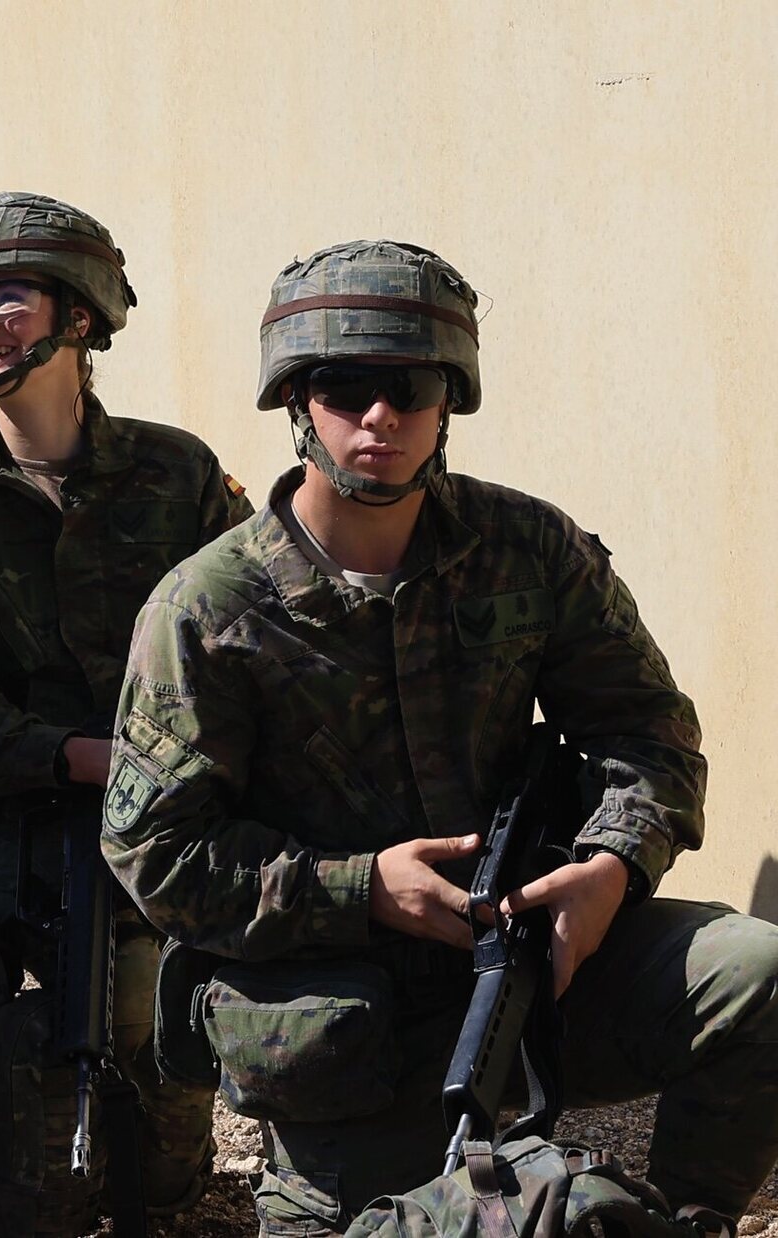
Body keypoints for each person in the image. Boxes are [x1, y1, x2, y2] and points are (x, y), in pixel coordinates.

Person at [100, 238, 778, 1236]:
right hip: (340, 1025)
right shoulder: (204, 607)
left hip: (533, 963)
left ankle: (675, 1220)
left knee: (754, 973)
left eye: (408, 385)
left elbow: (647, 733)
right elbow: (156, 854)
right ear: (293, 400)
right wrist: (363, 884)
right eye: (342, 384)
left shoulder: (527, 551)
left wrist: (607, 868)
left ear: (447, 399)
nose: (378, 416)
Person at [0, 193, 247, 1223]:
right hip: (13, 829)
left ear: (78, 318)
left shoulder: (175, 472)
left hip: (166, 827)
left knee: (159, 1159)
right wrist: (82, 758)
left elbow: (255, 646)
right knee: (18, 1118)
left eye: (3, 298)